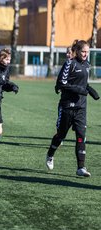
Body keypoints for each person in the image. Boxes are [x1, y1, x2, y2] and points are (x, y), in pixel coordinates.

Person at [46, 40, 99, 177]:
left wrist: (90, 90)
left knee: (81, 136)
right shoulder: (70, 63)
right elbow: (61, 83)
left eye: (87, 52)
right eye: (83, 51)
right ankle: (50, 154)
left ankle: (81, 167)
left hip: (81, 108)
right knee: (61, 135)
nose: (85, 54)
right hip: (67, 106)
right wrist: (80, 90)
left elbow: (83, 83)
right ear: (78, 51)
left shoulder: (87, 65)